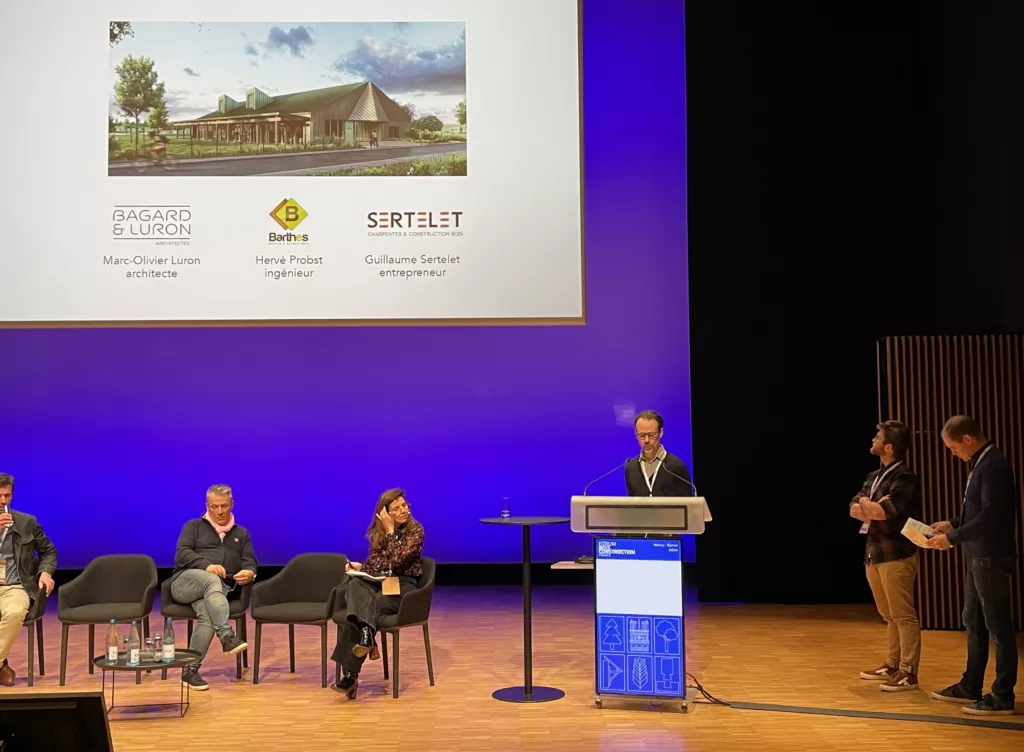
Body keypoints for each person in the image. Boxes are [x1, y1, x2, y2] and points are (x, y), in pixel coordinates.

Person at [926, 416, 1018, 715]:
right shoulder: (983, 463)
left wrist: (952, 538)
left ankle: (1003, 694)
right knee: (974, 621)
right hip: (977, 554)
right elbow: (977, 510)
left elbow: (991, 515)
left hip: (989, 555)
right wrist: (951, 524)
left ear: (967, 439)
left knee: (997, 627)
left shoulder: (993, 465)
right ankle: (970, 685)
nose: (953, 454)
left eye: (953, 448)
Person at [848, 421, 922, 692]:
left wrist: (868, 505)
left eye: (877, 437)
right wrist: (868, 505)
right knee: (888, 615)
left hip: (896, 553)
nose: (873, 440)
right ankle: (892, 663)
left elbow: (883, 511)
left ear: (889, 447)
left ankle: (908, 671)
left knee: (903, 615)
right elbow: (853, 507)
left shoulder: (904, 478)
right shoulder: (874, 475)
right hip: (874, 552)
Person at [331, 488, 424, 699]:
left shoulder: (416, 531)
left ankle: (351, 674)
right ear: (384, 513)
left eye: (405, 505)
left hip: (404, 587)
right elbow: (377, 565)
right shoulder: (378, 534)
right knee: (354, 584)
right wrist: (361, 567)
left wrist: (391, 532)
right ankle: (366, 636)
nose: (404, 510)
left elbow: (398, 561)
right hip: (381, 583)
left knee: (360, 613)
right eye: (397, 508)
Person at [167, 484, 256, 691]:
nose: (219, 511)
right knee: (211, 579)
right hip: (184, 584)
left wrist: (250, 572)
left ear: (232, 504)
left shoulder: (241, 533)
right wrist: (206, 566)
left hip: (216, 592)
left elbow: (249, 559)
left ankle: (190, 671)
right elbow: (182, 554)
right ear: (207, 505)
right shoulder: (193, 526)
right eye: (214, 506)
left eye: (224, 506)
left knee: (208, 614)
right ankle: (226, 635)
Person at [0, 473, 57, 687]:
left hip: (16, 586)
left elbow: (49, 551)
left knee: (15, 612)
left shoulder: (26, 522)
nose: (3, 501)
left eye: (7, 496)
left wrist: (45, 572)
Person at [625, 410, 693, 497]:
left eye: (652, 435)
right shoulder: (630, 468)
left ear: (661, 433)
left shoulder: (676, 466)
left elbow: (687, 505)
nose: (646, 440)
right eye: (641, 435)